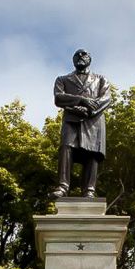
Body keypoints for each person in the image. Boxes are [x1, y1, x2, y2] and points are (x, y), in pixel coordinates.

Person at [50, 49, 111, 199]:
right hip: (71, 119)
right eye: (77, 55)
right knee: (66, 148)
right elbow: (59, 98)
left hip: (94, 120)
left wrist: (89, 112)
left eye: (84, 54)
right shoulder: (62, 79)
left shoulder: (101, 79)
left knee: (92, 152)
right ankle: (63, 187)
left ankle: (89, 190)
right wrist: (81, 101)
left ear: (90, 59)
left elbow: (106, 99)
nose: (80, 57)